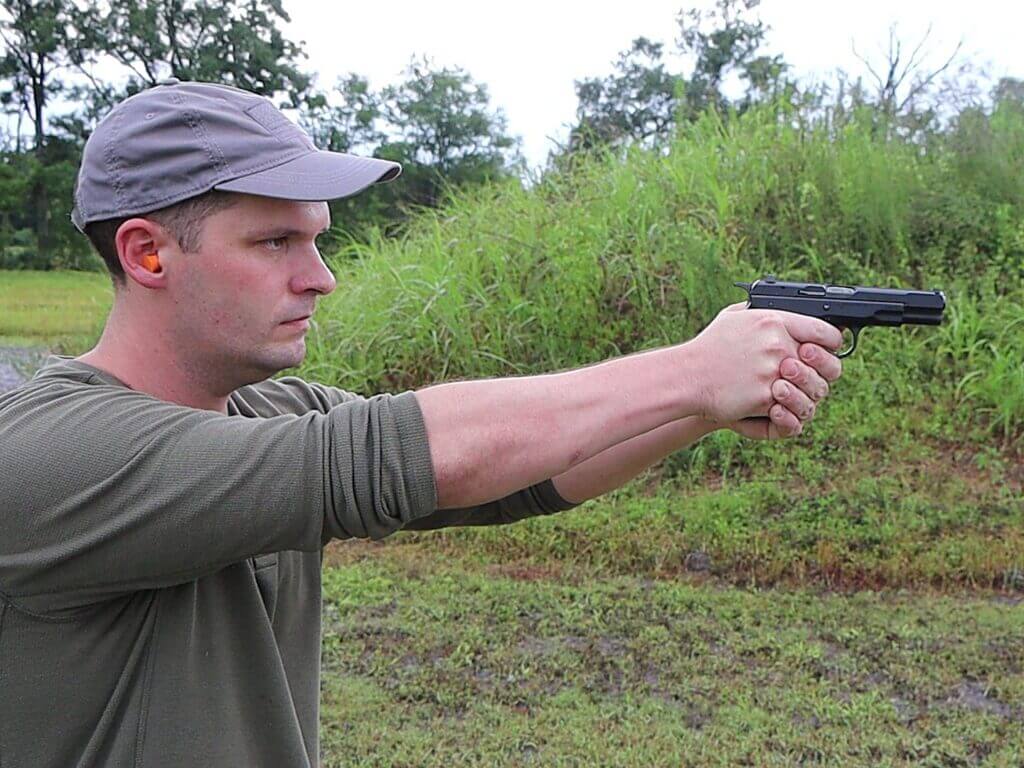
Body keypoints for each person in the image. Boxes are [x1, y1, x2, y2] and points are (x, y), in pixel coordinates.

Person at [0, 80, 843, 767]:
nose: (320, 278)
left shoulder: (271, 415)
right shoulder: (46, 451)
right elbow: (399, 454)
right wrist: (693, 368)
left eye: (318, 242)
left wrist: (705, 403)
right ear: (148, 254)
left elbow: (514, 483)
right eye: (274, 244)